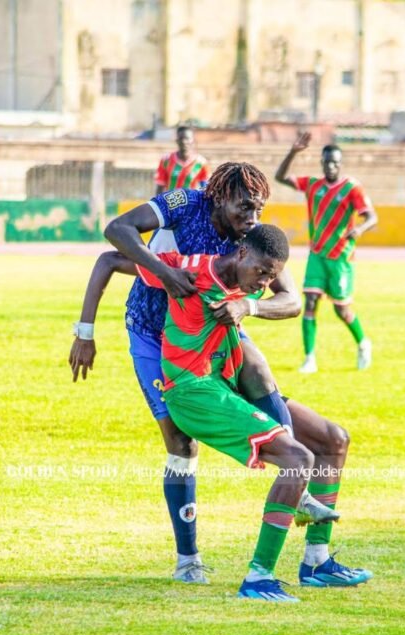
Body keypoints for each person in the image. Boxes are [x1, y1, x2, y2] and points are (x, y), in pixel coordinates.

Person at [71, 162, 370, 588]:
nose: (251, 217)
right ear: (218, 197)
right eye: (244, 207)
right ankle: (188, 559)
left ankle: (306, 520)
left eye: (259, 209)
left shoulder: (251, 238)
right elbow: (117, 231)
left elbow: (288, 300)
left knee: (266, 376)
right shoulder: (185, 203)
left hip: (217, 329)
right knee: (181, 442)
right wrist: (161, 275)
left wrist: (248, 306)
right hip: (154, 336)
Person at [135, 225, 368, 601]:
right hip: (194, 392)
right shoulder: (193, 269)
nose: (264, 282)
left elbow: (290, 302)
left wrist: (250, 304)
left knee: (333, 440)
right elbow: (114, 254)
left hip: (225, 381)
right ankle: (258, 578)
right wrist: (86, 327)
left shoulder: (249, 286)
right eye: (262, 273)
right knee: (298, 458)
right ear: (242, 253)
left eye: (271, 276)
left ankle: (316, 562)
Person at [275, 132, 378, 373]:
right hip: (317, 255)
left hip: (341, 257)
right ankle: (309, 358)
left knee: (341, 309)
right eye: (327, 162)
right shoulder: (313, 185)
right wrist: (293, 151)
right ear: (321, 163)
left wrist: (360, 229)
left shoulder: (352, 188)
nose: (331, 166)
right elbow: (280, 177)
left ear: (340, 164)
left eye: (335, 162)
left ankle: (363, 343)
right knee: (310, 302)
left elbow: (372, 216)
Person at [154, 126, 210, 194]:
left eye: (187, 138)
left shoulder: (201, 162)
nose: (184, 141)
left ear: (192, 140)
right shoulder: (166, 160)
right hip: (169, 202)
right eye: (181, 138)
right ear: (177, 140)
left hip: (190, 203)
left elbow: (205, 189)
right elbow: (160, 186)